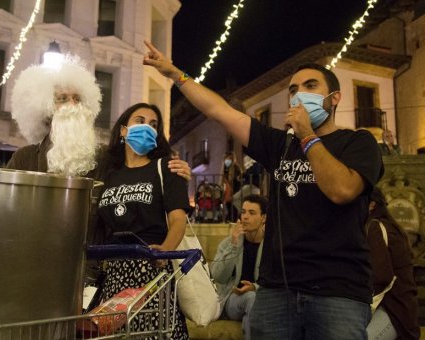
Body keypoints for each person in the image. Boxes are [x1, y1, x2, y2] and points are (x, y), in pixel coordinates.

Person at [144, 41, 383, 339]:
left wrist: (306, 134)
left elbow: (342, 190)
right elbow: (218, 109)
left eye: (311, 86)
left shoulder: (358, 143)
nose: (299, 95)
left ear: (334, 99)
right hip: (276, 291)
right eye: (294, 90)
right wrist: (175, 74)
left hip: (337, 293)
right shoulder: (279, 145)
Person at [6, 57, 191, 179]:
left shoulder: (106, 157)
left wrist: (172, 172)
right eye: (62, 99)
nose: (72, 105)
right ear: (44, 108)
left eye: (77, 99)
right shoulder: (24, 159)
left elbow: (140, 177)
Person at [93, 103, 189, 338]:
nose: (147, 127)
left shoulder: (166, 168)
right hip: (113, 275)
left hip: (151, 272)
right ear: (124, 131)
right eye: (140, 120)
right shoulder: (108, 174)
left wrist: (165, 250)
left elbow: (178, 219)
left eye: (153, 124)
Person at [210, 194, 267, 340]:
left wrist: (254, 286)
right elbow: (218, 276)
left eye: (252, 213)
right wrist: (234, 245)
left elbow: (278, 278)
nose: (245, 217)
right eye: (243, 212)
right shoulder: (229, 243)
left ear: (264, 218)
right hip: (233, 299)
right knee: (251, 298)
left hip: (263, 297)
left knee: (253, 302)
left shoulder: (272, 246)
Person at [366, 188, 420, 340]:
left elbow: (381, 276)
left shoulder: (375, 227)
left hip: (392, 310)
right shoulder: (390, 226)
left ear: (371, 205)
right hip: (403, 310)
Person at [222, 152, 243, 222]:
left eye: (228, 159)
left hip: (235, 190)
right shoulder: (226, 169)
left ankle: (231, 220)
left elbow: (238, 181)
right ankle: (230, 220)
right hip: (229, 191)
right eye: (226, 159)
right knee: (229, 206)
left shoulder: (236, 168)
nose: (227, 161)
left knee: (233, 207)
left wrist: (234, 193)